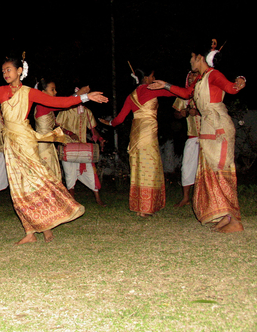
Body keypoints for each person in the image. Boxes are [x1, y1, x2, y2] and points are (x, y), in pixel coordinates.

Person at [0, 55, 108, 244]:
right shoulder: (1, 92)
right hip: (10, 145)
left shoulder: (29, 92)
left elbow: (60, 103)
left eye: (8, 69)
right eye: (3, 71)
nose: (5, 73)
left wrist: (85, 97)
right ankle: (30, 232)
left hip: (25, 141)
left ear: (19, 71)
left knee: (38, 179)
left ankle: (48, 225)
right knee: (18, 186)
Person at [149, 45, 246, 233]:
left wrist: (241, 79)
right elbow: (186, 94)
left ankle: (234, 220)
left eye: (192, 57)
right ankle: (226, 217)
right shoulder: (201, 79)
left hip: (218, 125)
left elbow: (232, 88)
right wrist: (165, 85)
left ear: (200, 57)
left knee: (221, 170)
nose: (190, 61)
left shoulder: (214, 74)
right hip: (209, 125)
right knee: (211, 172)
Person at [99, 68, 174, 217]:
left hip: (135, 136)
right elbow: (176, 92)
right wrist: (167, 85)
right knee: (150, 168)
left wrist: (108, 123)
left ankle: (140, 206)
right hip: (148, 135)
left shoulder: (131, 96)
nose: (154, 79)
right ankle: (146, 208)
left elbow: (118, 120)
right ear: (145, 78)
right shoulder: (151, 90)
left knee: (139, 169)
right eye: (152, 76)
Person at [56, 86, 106, 206]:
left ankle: (98, 198)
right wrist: (69, 133)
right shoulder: (66, 110)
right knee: (69, 174)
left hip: (83, 148)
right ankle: (72, 201)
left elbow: (92, 129)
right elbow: (57, 126)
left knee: (90, 172)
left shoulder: (87, 112)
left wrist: (100, 138)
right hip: (67, 146)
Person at [171, 70, 201, 207]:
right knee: (187, 167)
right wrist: (181, 114)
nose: (191, 78)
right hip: (193, 136)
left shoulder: (205, 93)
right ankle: (186, 197)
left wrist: (198, 112)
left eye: (194, 75)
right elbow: (176, 114)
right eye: (189, 76)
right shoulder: (184, 95)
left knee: (207, 168)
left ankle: (203, 197)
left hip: (209, 136)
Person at [33, 79, 64, 183]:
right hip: (43, 144)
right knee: (47, 174)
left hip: (47, 142)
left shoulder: (45, 106)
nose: (55, 92)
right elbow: (63, 104)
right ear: (43, 92)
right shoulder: (42, 105)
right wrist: (80, 95)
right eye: (52, 89)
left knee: (50, 172)